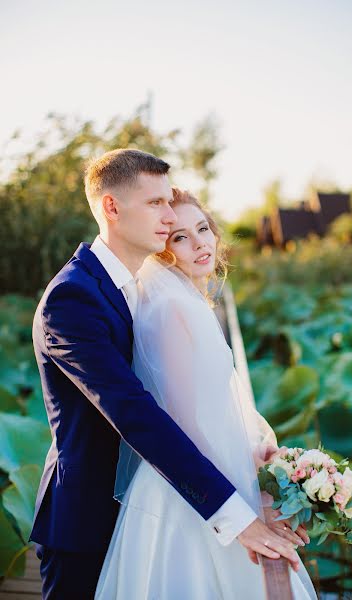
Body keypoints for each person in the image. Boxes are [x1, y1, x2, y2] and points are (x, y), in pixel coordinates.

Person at [30, 149, 300, 599]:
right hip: (88, 523)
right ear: (112, 208)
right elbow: (138, 415)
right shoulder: (72, 300)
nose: (169, 213)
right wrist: (236, 516)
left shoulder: (145, 289)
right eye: (155, 203)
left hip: (152, 510)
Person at [95, 188, 317, 599]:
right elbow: (186, 422)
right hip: (192, 491)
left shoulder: (187, 300)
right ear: (162, 251)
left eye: (202, 229)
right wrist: (243, 499)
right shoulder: (171, 309)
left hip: (210, 468)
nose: (199, 243)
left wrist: (255, 454)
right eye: (179, 236)